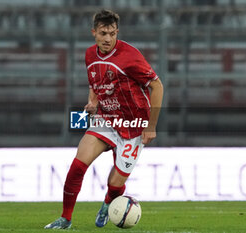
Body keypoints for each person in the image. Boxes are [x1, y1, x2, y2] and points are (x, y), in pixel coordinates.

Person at [44, 9, 163, 229]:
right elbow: (95, 82)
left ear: (117, 32)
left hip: (133, 126)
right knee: (77, 166)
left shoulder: (130, 56)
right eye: (103, 33)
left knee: (115, 184)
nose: (108, 38)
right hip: (106, 119)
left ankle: (108, 203)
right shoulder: (89, 55)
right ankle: (66, 218)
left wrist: (151, 125)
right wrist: (93, 101)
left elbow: (157, 85)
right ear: (94, 33)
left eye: (112, 33)